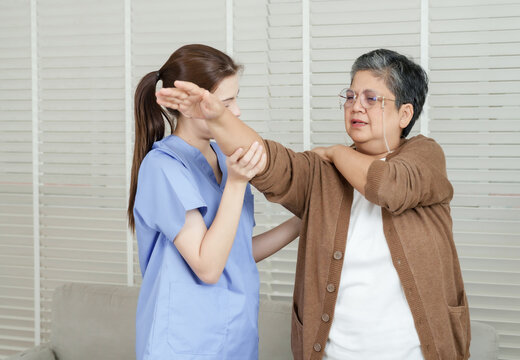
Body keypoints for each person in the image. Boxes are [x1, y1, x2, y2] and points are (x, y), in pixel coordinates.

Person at [156, 48, 471, 360]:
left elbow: (388, 186)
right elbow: (265, 161)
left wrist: (336, 152)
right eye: (350, 96)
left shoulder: (424, 157)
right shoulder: (322, 175)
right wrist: (217, 116)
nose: (356, 106)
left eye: (371, 99)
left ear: (405, 113)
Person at [128, 44, 301, 360]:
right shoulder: (163, 167)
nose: (235, 112)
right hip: (182, 345)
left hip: (236, 338)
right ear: (190, 105)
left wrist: (302, 222)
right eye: (226, 102)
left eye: (236, 99)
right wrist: (236, 184)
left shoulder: (223, 157)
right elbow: (208, 267)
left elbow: (235, 252)